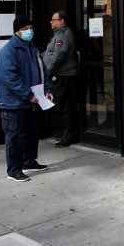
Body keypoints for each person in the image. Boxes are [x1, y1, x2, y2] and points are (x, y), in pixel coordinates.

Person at [0, 15, 53, 182]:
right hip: (13, 103)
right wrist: (29, 96)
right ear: (17, 31)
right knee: (14, 137)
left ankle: (29, 162)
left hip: (31, 101)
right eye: (24, 29)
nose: (29, 31)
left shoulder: (32, 48)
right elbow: (10, 79)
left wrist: (47, 89)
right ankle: (14, 170)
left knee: (30, 134)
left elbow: (43, 71)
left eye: (30, 27)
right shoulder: (9, 51)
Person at [43, 10, 80, 147]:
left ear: (62, 21)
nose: (51, 22)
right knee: (66, 106)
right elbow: (50, 53)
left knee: (66, 107)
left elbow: (59, 55)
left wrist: (48, 70)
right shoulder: (58, 34)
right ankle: (70, 134)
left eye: (54, 19)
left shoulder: (63, 35)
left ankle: (68, 136)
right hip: (63, 75)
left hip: (65, 76)